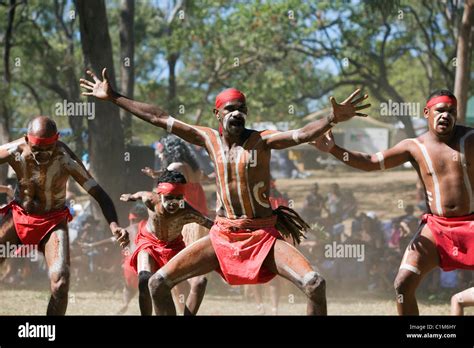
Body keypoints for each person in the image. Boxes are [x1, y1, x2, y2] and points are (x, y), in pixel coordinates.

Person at [80, 67, 370, 315]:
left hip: (262, 236)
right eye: (230, 108)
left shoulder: (262, 141)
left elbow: (300, 134)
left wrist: (331, 120)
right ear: (217, 113)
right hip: (222, 235)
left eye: (242, 108)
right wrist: (114, 97)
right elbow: (159, 117)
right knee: (157, 283)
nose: (237, 113)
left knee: (315, 284)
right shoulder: (208, 139)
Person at [313, 89, 474, 315]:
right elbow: (370, 162)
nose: (445, 116)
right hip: (436, 228)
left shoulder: (470, 138)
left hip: (471, 224)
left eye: (451, 111)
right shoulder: (413, 146)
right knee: (402, 284)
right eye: (440, 111)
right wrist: (333, 149)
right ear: (427, 112)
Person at [0, 116, 128, 315]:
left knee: (60, 283)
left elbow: (99, 194)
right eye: (37, 149)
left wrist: (114, 225)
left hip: (52, 223)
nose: (42, 155)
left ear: (57, 140)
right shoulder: (15, 150)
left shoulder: (66, 159)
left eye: (47, 149)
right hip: (18, 216)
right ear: (26, 139)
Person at [120, 170, 214, 315]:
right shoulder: (150, 200)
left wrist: (232, 231)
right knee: (144, 280)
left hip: (174, 248)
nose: (174, 203)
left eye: (179, 198)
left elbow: (211, 225)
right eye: (169, 197)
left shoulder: (187, 212)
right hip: (149, 243)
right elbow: (141, 194)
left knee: (200, 282)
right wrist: (131, 197)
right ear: (159, 194)